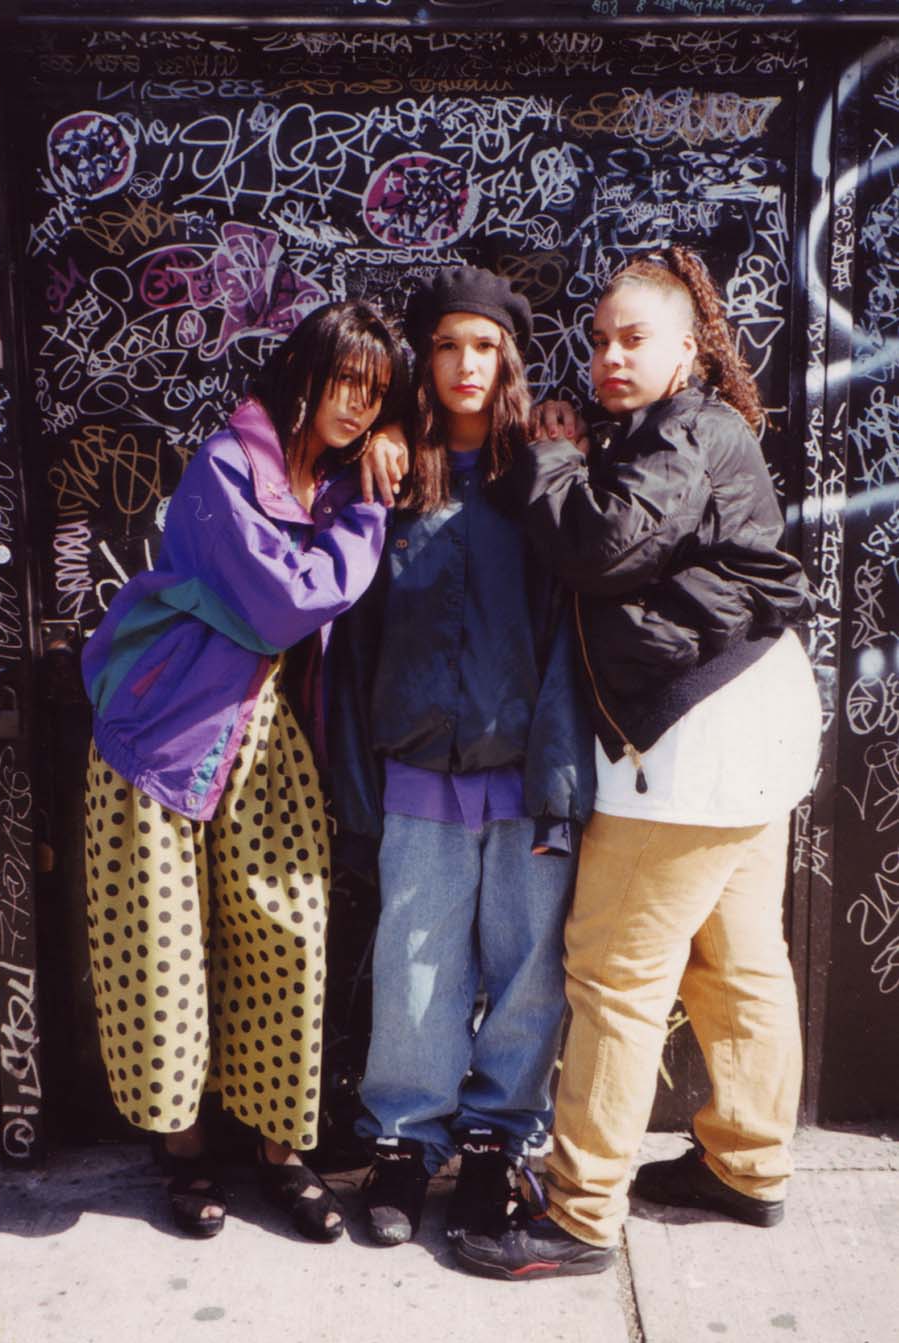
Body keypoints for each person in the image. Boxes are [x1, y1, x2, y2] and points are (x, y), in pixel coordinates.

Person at [452, 246, 821, 1281]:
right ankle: (748, 1164)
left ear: (691, 346)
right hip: (749, 728)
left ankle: (578, 1216)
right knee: (735, 960)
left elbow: (599, 548)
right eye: (602, 339)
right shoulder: (676, 429)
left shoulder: (687, 431)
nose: (610, 356)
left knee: (614, 975)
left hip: (693, 743)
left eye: (635, 338)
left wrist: (557, 459)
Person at [81, 300, 407, 1241]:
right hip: (165, 736)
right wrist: (369, 515)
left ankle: (278, 1152)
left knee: (287, 936)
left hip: (264, 740)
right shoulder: (226, 466)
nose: (357, 406)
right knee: (161, 950)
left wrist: (382, 449)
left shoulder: (340, 481)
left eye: (375, 393)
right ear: (302, 374)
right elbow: (282, 604)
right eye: (347, 382)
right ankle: (183, 1155)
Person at [332, 266, 595, 1247]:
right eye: (447, 346)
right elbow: (353, 642)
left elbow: (574, 635)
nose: (466, 364)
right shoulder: (393, 473)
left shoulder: (545, 474)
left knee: (527, 964)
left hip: (528, 767)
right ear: (424, 359)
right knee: (415, 960)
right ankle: (404, 1141)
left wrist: (565, 783)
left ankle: (495, 1142)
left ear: (508, 358)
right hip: (419, 766)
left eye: (483, 347)